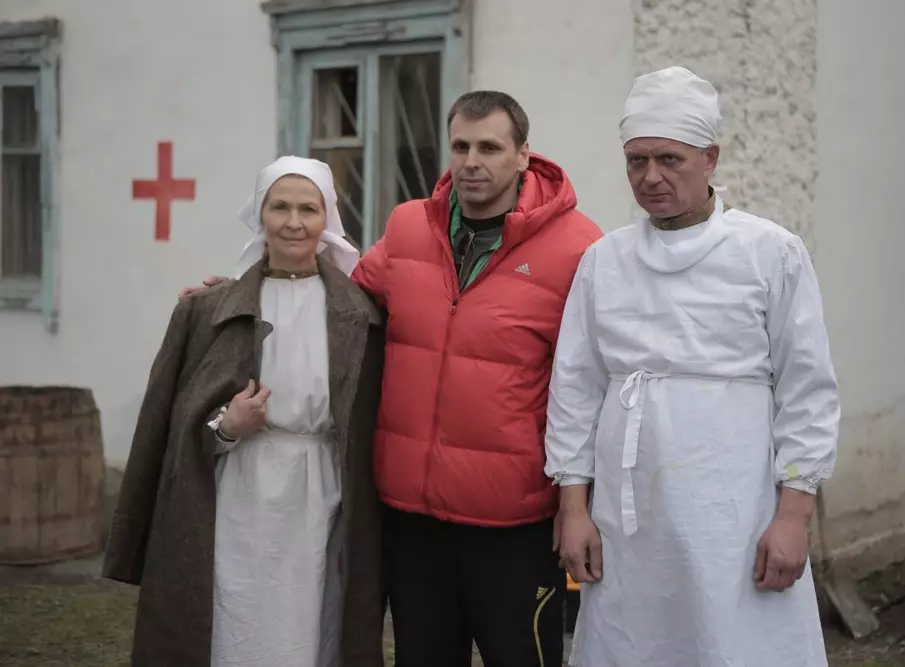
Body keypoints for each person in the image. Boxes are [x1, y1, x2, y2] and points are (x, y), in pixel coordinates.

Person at [182, 91, 603, 666]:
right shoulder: (409, 227)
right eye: (460, 146)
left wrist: (576, 504)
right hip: (412, 519)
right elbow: (340, 296)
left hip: (512, 520)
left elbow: (590, 382)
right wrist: (245, 291)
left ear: (524, 154)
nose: (472, 161)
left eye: (489, 148)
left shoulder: (578, 246)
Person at [546, 66, 840, 667]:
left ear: (710, 158)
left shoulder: (770, 253)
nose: (650, 176)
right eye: (636, 161)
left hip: (736, 512)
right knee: (635, 640)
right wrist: (573, 509)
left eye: (669, 159)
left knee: (735, 643)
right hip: (631, 516)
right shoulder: (605, 261)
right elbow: (575, 388)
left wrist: (794, 515)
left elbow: (807, 389)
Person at [104, 156, 386, 667]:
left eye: (308, 209)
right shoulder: (208, 311)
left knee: (313, 626)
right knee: (238, 618)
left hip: (323, 494)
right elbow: (166, 428)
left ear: (327, 219)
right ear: (261, 214)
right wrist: (226, 427)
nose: (294, 222)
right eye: (280, 207)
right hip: (239, 494)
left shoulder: (362, 313)